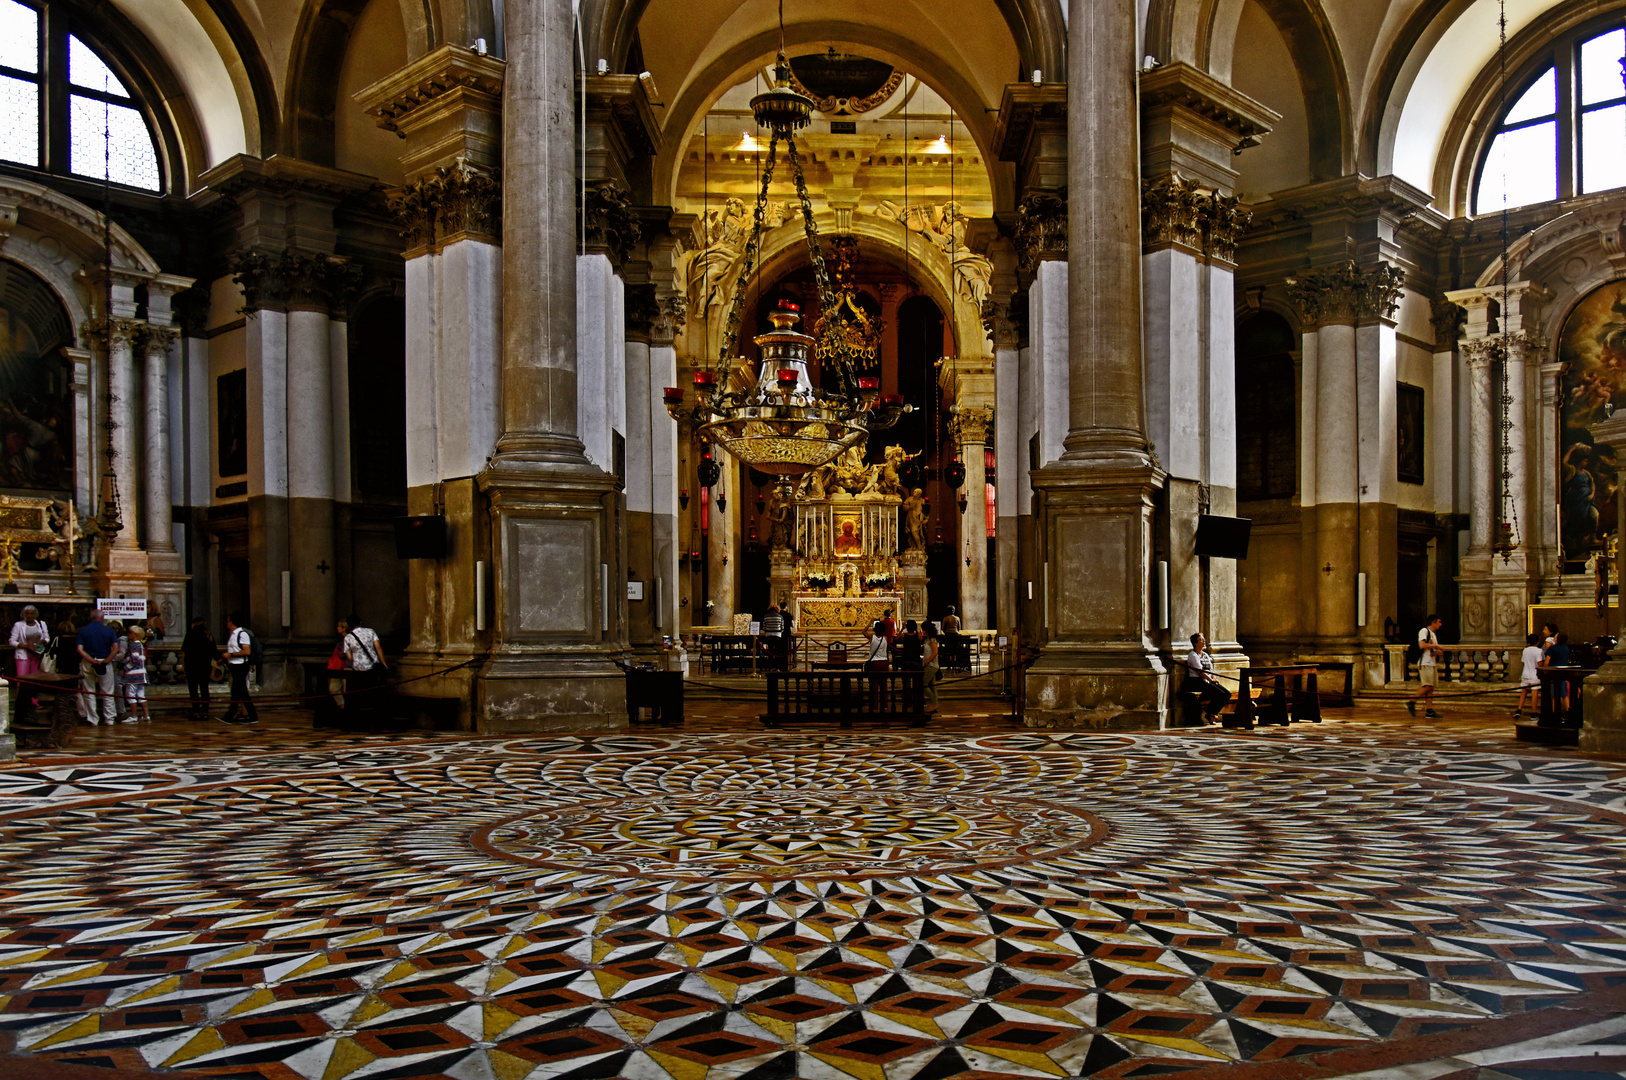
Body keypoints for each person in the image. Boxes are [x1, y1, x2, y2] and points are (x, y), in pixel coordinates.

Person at [75, 609, 119, 726]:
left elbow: (79, 649)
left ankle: (92, 719)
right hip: (104, 661)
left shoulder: (82, 630)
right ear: (102, 618)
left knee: (89, 692)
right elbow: (116, 649)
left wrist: (91, 660)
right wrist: (105, 661)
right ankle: (109, 719)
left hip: (88, 661)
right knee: (108, 692)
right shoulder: (109, 631)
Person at [340, 615, 387, 719]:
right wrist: (383, 662)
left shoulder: (348, 637)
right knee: (375, 693)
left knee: (357, 694)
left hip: (358, 669)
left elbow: (349, 657)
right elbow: (378, 647)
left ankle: (356, 717)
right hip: (373, 667)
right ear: (360, 622)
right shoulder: (370, 631)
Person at [1182, 633, 1232, 722]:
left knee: (1227, 694)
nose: (1204, 641)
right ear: (1195, 643)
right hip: (1197, 681)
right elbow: (1200, 671)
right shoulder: (1193, 655)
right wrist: (1211, 679)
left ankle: (1210, 712)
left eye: (1203, 639)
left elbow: (1210, 669)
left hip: (1207, 680)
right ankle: (1211, 713)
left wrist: (1214, 678)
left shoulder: (1205, 655)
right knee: (1220, 694)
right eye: (1201, 640)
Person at [180, 614, 219, 721]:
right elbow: (215, 653)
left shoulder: (190, 634)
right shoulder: (208, 635)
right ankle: (205, 712)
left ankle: (196, 711)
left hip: (192, 665)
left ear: (193, 624)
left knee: (193, 690)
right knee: (204, 689)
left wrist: (183, 665)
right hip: (205, 666)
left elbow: (184, 652)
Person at [222, 611, 258, 725]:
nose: (227, 624)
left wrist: (231, 655)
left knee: (240, 691)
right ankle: (235, 715)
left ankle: (234, 715)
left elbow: (247, 651)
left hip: (241, 666)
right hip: (234, 666)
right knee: (238, 692)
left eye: (228, 621)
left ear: (232, 622)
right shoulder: (233, 634)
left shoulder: (242, 634)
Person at [1407, 614, 1445, 718]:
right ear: (1433, 622)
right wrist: (1436, 646)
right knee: (1427, 685)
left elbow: (1431, 648)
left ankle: (1429, 710)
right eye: (1439, 622)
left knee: (1430, 687)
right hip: (1425, 662)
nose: (1440, 625)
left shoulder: (1433, 634)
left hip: (1431, 662)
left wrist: (1437, 651)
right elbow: (1422, 645)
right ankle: (1412, 701)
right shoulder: (1424, 631)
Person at [9, 604, 46, 704]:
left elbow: (46, 638)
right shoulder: (19, 625)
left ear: (35, 614)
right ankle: (22, 703)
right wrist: (26, 646)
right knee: (22, 679)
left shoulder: (41, 624)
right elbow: (12, 641)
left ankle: (34, 702)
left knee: (34, 679)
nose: (29, 616)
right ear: (24, 614)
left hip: (36, 655)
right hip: (22, 655)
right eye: (27, 613)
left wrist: (40, 643)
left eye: (32, 613)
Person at [1542, 631, 1574, 716]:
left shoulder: (1552, 648)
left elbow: (1547, 662)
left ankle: (1554, 712)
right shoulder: (1566, 648)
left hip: (1553, 673)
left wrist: (1545, 669)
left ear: (1557, 639)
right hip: (1563, 673)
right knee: (1564, 694)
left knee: (1554, 695)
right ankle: (1567, 711)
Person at [122, 625, 150, 723]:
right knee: (141, 694)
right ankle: (146, 715)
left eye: (129, 633)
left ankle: (134, 716)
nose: (128, 634)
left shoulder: (133, 645)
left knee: (130, 694)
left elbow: (134, 660)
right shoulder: (140, 645)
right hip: (142, 673)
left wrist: (124, 669)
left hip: (133, 674)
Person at [1514, 631, 1543, 719]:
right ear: (1537, 642)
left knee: (1524, 692)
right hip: (1535, 674)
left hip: (1525, 672)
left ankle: (1519, 709)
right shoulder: (1539, 651)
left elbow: (1523, 662)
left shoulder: (1525, 650)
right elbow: (1540, 663)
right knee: (1534, 693)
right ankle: (1534, 712)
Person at [863, 619, 890, 709]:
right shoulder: (885, 638)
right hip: (884, 662)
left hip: (874, 662)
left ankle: (874, 705)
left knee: (874, 685)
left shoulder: (872, 638)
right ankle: (884, 704)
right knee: (884, 684)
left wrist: (870, 623)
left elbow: (863, 631)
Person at [922, 623, 941, 710]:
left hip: (931, 665)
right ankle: (935, 704)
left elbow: (935, 652)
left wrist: (928, 661)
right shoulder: (928, 640)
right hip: (930, 664)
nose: (923, 631)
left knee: (924, 684)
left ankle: (934, 703)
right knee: (932, 686)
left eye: (924, 630)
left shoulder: (932, 640)